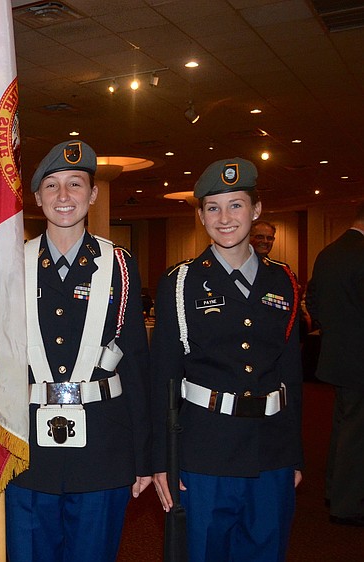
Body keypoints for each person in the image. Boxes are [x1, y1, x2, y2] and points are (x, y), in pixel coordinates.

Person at [0, 140, 152, 561]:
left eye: (75, 183)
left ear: (93, 193)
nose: (63, 195)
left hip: (103, 449)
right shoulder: (9, 265)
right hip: (26, 446)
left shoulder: (120, 266)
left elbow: (137, 366)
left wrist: (144, 457)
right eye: (51, 185)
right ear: (37, 197)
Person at [150, 158, 303, 561]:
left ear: (256, 210)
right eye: (213, 208)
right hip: (205, 451)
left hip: (271, 450)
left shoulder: (284, 280)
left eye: (236, 205)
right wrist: (163, 461)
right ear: (201, 216)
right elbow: (163, 376)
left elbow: (291, 373)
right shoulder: (180, 283)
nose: (225, 218)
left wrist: (294, 455)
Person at [306, 202, 364, 526]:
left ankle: (334, 488)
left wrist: (332, 329)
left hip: (336, 354)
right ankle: (346, 505)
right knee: (356, 432)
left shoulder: (328, 253)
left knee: (344, 426)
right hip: (359, 358)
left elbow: (313, 300)